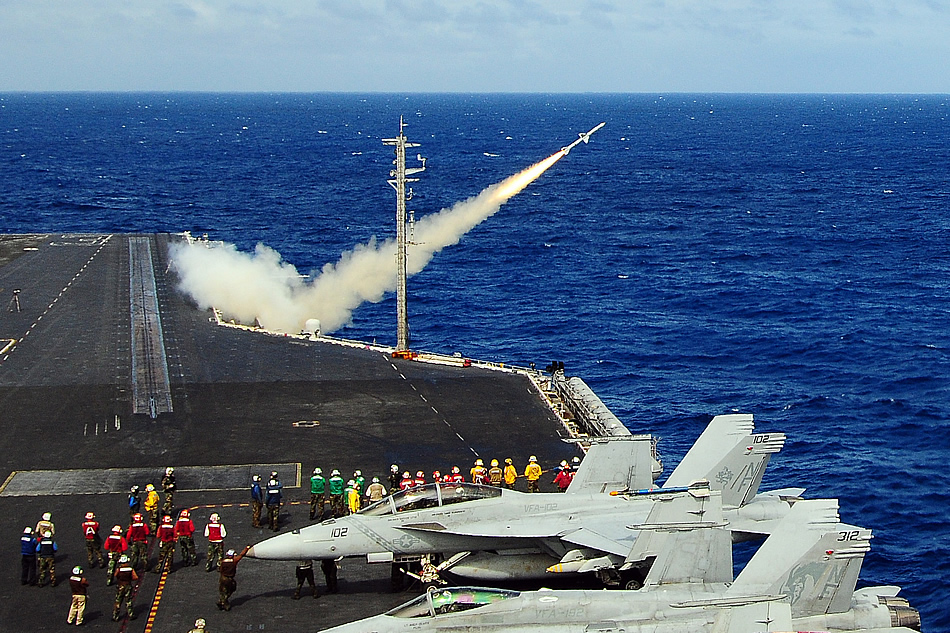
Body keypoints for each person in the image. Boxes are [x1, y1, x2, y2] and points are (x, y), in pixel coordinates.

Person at [217, 545, 251, 611]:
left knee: (223, 590)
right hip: (229, 579)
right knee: (231, 588)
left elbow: (220, 569)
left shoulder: (223, 561)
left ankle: (222, 601)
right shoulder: (234, 561)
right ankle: (223, 602)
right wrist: (246, 548)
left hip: (222, 577)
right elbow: (241, 554)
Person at [112, 554, 138, 621]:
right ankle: (131, 614)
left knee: (118, 601)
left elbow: (115, 575)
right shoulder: (130, 569)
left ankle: (116, 616)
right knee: (128, 600)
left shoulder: (119, 569)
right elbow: (135, 577)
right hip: (128, 585)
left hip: (120, 586)